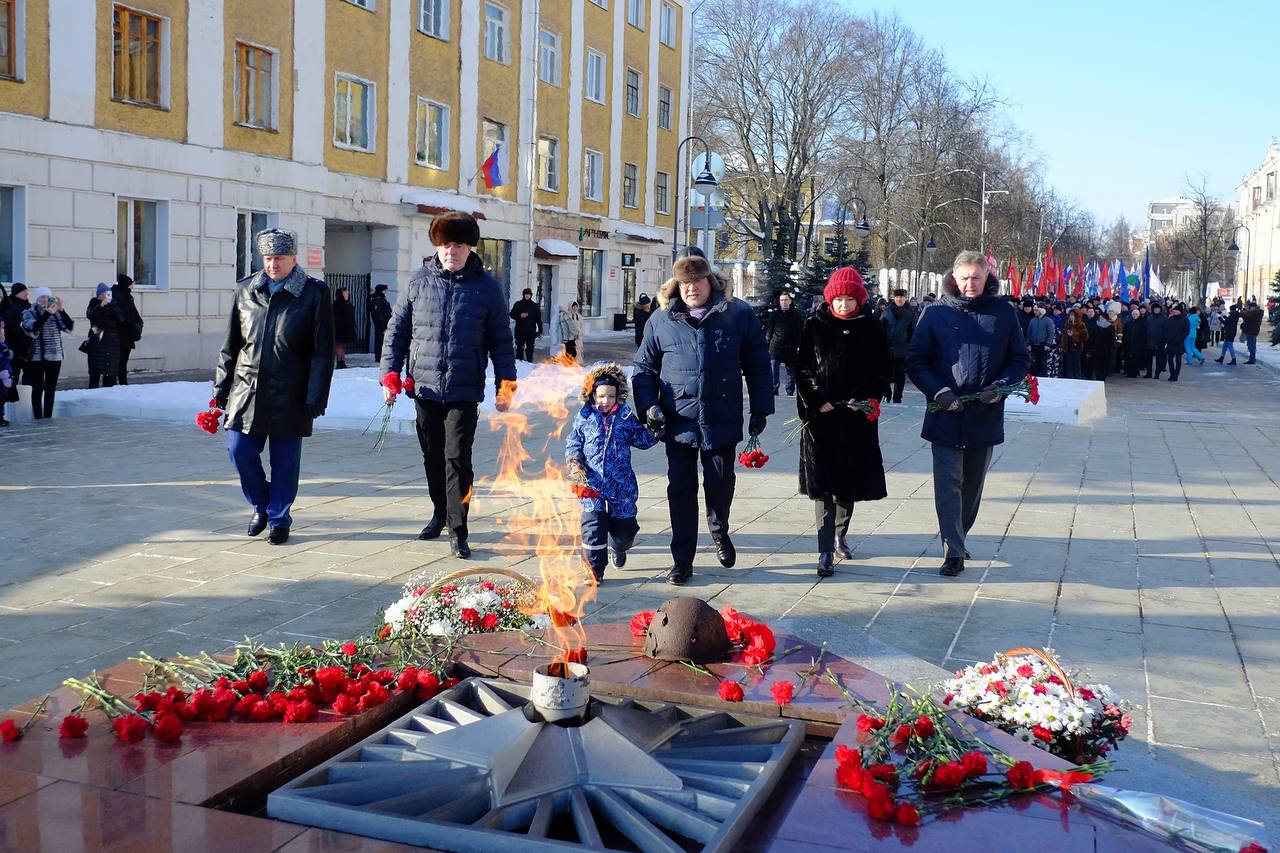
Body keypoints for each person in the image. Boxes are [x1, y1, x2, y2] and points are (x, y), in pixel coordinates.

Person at [382, 211, 517, 559]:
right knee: (432, 455)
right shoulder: (419, 282)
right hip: (424, 386)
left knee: (457, 458)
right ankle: (440, 512)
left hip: (463, 388)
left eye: (457, 245)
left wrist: (507, 386)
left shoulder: (487, 289)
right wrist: (390, 373)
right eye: (444, 245)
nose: (450, 252)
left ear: (470, 248)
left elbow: (502, 341)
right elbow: (397, 331)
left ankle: (458, 529)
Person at [633, 254, 773, 586]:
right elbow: (643, 370)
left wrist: (760, 409)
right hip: (678, 420)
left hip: (721, 417)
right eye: (685, 284)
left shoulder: (737, 315)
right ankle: (682, 560)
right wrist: (649, 406)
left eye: (697, 282)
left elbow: (758, 364)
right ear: (676, 286)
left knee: (720, 484)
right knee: (680, 490)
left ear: (710, 280)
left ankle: (719, 529)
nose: (691, 289)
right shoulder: (660, 320)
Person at [907, 251, 1029, 578]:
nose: (970, 284)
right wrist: (940, 392)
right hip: (944, 413)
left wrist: (1000, 387)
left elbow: (1019, 360)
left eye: (976, 277)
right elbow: (916, 361)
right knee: (948, 483)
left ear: (987, 277)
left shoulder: (1002, 313)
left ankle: (960, 535)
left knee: (972, 486)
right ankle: (953, 549)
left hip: (983, 415)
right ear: (953, 278)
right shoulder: (935, 313)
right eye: (964, 278)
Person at [214, 228, 335, 546]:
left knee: (285, 462)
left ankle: (280, 518)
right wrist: (220, 389)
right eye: (268, 258)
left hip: (290, 393)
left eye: (279, 258)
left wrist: (315, 396)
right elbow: (231, 345)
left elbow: (322, 352)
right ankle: (261, 506)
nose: (272, 265)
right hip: (247, 390)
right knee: (239, 450)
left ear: (293, 258)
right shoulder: (245, 291)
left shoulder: (313, 293)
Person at [795, 268, 890, 577]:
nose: (844, 305)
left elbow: (882, 371)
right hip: (822, 420)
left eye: (850, 299)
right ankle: (824, 552)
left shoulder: (872, 329)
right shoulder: (815, 325)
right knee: (822, 486)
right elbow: (802, 369)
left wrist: (864, 399)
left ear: (859, 300)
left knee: (847, 485)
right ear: (830, 299)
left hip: (856, 421)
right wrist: (816, 399)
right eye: (839, 299)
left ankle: (840, 533)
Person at [565, 363, 660, 583]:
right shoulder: (585, 416)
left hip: (621, 483)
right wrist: (575, 463)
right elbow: (574, 442)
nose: (605, 401)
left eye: (610, 396)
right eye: (600, 396)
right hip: (592, 483)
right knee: (593, 525)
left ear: (618, 396)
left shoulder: (625, 417)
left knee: (624, 530)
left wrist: (656, 430)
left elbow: (642, 439)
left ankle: (618, 546)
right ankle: (594, 571)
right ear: (592, 395)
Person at [21, 287, 73, 420]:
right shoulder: (30, 311)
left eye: (47, 297)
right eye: (42, 297)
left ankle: (48, 416)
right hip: (37, 357)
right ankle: (38, 416)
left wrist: (61, 310)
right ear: (37, 298)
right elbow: (32, 328)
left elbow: (68, 328)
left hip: (54, 355)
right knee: (37, 388)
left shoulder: (56, 312)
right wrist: (47, 313)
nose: (44, 300)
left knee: (51, 388)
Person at [879, 288, 916, 403]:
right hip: (887, 347)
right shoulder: (887, 312)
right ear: (894, 298)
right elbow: (880, 329)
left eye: (901, 297)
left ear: (905, 298)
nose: (899, 299)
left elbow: (913, 332)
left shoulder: (910, 313)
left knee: (900, 375)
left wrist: (911, 348)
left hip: (902, 348)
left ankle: (897, 397)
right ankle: (887, 393)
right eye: (897, 297)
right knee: (885, 373)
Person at [85, 282, 126, 388]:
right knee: (95, 374)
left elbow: (121, 319)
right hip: (97, 340)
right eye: (104, 294)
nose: (106, 296)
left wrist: (112, 305)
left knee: (110, 376)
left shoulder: (113, 304)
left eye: (108, 294)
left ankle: (109, 397)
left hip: (112, 343)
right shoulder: (94, 303)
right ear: (99, 295)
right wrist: (101, 305)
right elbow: (91, 316)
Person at [765, 291, 804, 396]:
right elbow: (769, 330)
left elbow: (801, 331)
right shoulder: (774, 314)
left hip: (790, 347)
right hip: (776, 346)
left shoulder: (796, 315)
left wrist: (800, 346)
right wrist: (766, 344)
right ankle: (774, 390)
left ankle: (790, 391)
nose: (784, 302)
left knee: (790, 372)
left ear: (790, 301)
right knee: (773, 368)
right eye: (782, 300)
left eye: (786, 300)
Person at [109, 274, 143, 384]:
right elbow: (122, 317)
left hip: (127, 337)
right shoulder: (116, 296)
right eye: (130, 285)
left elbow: (134, 314)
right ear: (125, 285)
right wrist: (132, 326)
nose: (131, 287)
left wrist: (138, 324)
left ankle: (123, 386)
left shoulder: (127, 296)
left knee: (123, 364)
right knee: (116, 365)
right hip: (118, 336)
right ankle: (116, 387)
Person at [3, 283, 31, 389]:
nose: (26, 293)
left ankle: (26, 400)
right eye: (24, 291)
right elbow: (11, 325)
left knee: (29, 376)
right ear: (17, 293)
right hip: (13, 347)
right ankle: (10, 400)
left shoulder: (28, 306)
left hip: (27, 348)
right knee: (13, 374)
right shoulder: (9, 306)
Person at [509, 288, 543, 362]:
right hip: (520, 330)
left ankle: (529, 362)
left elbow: (538, 319)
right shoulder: (518, 304)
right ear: (523, 295)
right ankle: (519, 363)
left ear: (531, 295)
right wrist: (520, 315)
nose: (527, 296)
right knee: (519, 347)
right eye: (526, 294)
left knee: (530, 347)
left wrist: (540, 330)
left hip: (531, 331)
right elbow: (512, 314)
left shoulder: (534, 306)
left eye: (529, 294)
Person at [1087, 305, 1117, 381]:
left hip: (1106, 349)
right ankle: (1098, 376)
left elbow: (1112, 339)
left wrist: (1112, 348)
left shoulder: (1110, 326)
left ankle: (1103, 377)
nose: (1101, 318)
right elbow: (1092, 337)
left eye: (1103, 317)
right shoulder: (1096, 325)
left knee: (1104, 364)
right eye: (1100, 317)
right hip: (1096, 348)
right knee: (1097, 364)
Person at [1161, 303, 1189, 382]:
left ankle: (1176, 375)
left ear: (1180, 311)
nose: (1175, 312)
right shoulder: (1170, 319)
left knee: (1178, 360)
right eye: (1174, 311)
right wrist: (1166, 338)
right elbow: (1165, 330)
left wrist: (1181, 338)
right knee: (1169, 359)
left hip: (1179, 343)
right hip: (1170, 342)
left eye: (1177, 311)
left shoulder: (1185, 320)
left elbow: (1186, 331)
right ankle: (1172, 373)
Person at [1026, 305, 1055, 377]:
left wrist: (1048, 344)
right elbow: (1029, 333)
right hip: (1033, 345)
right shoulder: (1032, 320)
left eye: (1036, 310)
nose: (1035, 312)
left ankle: (1044, 377)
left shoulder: (1048, 321)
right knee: (1034, 363)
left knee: (1043, 363)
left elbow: (1051, 333)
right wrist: (1028, 344)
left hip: (1043, 346)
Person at [332, 286, 357, 369]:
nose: (347, 294)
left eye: (347, 293)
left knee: (344, 346)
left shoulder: (348, 303)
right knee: (339, 345)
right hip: (339, 328)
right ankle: (339, 361)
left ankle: (343, 361)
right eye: (344, 293)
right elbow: (336, 318)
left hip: (347, 328)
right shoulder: (337, 304)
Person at [1060, 308, 1088, 379]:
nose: (1071, 317)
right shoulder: (1067, 323)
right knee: (1068, 364)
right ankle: (1069, 377)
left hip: (1077, 347)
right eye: (1070, 315)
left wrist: (1074, 335)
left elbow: (1085, 336)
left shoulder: (1081, 324)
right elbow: (1063, 334)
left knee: (1076, 364)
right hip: (1068, 346)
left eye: (1073, 315)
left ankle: (1077, 378)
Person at [368, 284, 393, 362]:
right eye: (385, 289)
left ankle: (380, 356)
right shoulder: (378, 299)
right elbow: (378, 314)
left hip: (382, 323)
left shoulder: (380, 298)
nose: (387, 291)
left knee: (381, 340)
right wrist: (383, 326)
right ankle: (379, 356)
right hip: (381, 324)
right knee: (380, 340)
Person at [1122, 305, 1147, 378]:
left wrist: (1142, 343)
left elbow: (1143, 335)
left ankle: (1135, 372)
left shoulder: (1141, 323)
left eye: (1136, 314)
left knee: (1135, 358)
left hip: (1137, 344)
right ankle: (1129, 372)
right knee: (1128, 358)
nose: (1135, 315)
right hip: (1129, 343)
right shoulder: (1128, 323)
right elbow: (1125, 333)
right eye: (1133, 314)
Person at [1145, 302, 1166, 378]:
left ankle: (1157, 374)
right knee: (1148, 360)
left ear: (1160, 309)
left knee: (1158, 360)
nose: (1156, 310)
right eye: (1155, 308)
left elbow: (1166, 331)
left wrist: (1163, 342)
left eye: (1158, 308)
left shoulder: (1164, 319)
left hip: (1159, 342)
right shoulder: (1149, 318)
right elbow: (1145, 328)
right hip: (1149, 341)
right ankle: (1148, 373)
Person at [0, 320, 16, 426]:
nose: (3, 331)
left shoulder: (3, 344)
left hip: (5, 374)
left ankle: (1, 417)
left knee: (2, 397)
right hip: (2, 373)